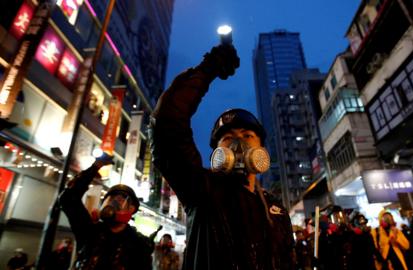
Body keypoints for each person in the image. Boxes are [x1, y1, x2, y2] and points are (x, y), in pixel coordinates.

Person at [149, 43, 295, 269]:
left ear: (262, 150)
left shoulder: (276, 209)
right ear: (217, 151)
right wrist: (207, 69)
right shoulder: (202, 189)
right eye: (228, 138)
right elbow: (167, 125)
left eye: (247, 135)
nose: (239, 143)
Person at [59, 156, 153, 269]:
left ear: (132, 209)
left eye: (123, 197)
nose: (115, 199)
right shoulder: (89, 231)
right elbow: (68, 199)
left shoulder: (139, 244)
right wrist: (95, 167)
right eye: (111, 197)